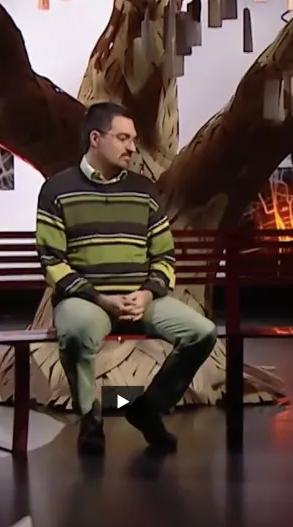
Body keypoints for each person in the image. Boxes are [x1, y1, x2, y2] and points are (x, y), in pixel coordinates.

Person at [35, 101, 218, 456]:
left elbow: (164, 256)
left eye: (133, 139)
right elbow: (52, 260)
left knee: (202, 332)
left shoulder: (144, 190)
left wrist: (147, 294)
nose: (132, 147)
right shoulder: (57, 190)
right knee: (76, 332)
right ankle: (90, 417)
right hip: (87, 300)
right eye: (123, 138)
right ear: (95, 139)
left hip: (140, 299)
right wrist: (99, 298)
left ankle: (148, 407)